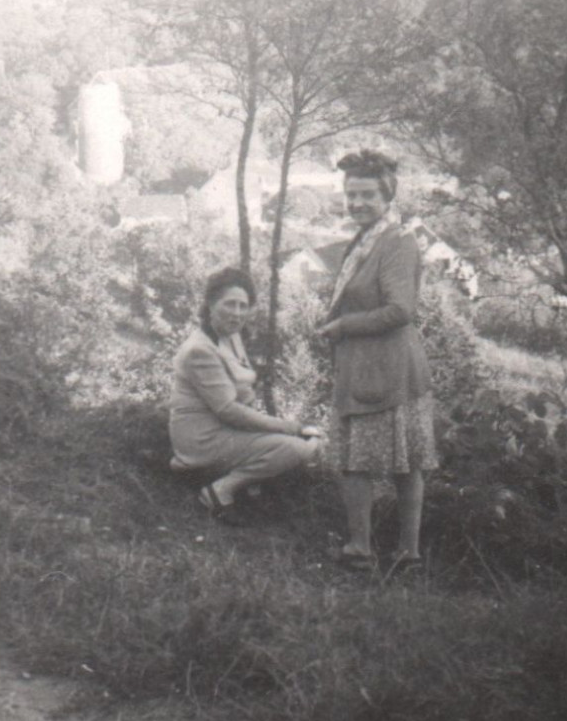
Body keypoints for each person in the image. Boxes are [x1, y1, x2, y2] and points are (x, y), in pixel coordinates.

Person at [317, 150, 437, 569]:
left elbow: (401, 309)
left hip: (388, 370)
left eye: (367, 194)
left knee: (387, 463)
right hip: (366, 365)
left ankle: (394, 552)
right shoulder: (368, 238)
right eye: (351, 195)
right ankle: (371, 548)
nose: (357, 204)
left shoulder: (397, 242)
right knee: (364, 461)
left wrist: (345, 325)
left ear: (388, 196)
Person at [170, 266, 322, 525]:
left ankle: (253, 488)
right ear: (210, 304)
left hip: (226, 430)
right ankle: (220, 491)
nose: (237, 313)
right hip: (202, 439)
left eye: (244, 305)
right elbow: (228, 410)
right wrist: (290, 427)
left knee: (313, 444)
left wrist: (274, 429)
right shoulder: (200, 350)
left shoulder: (230, 336)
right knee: (298, 448)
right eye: (230, 304)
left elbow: (242, 394)